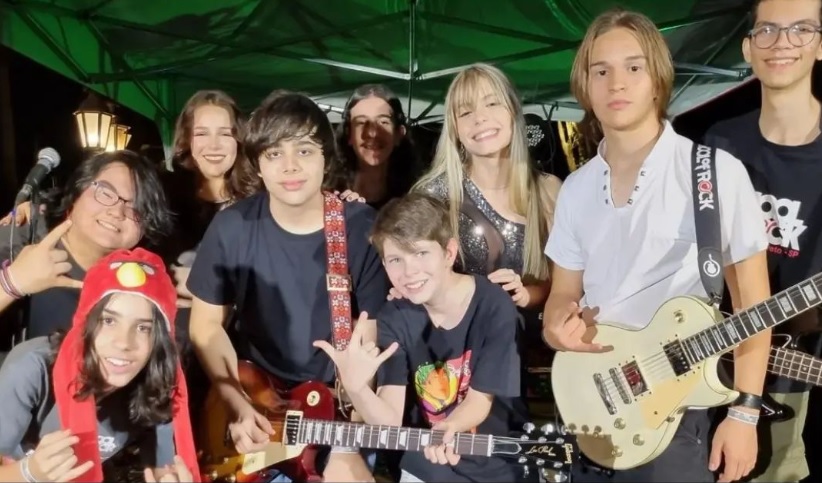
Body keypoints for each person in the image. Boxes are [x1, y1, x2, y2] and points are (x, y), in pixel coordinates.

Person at [542, 8, 772, 483]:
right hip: (591, 401)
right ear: (584, 86)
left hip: (676, 412)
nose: (616, 83)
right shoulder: (576, 188)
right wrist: (555, 325)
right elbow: (563, 292)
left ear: (657, 80)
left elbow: (754, 305)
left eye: (634, 67)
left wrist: (745, 412)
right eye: (600, 71)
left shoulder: (715, 173)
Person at [186, 90, 389, 482]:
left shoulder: (361, 228)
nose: (290, 166)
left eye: (305, 151)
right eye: (274, 153)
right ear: (258, 163)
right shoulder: (232, 227)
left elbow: (368, 344)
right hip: (257, 402)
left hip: (340, 411)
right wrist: (236, 401)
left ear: (326, 158)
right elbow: (206, 325)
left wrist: (347, 448)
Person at [316, 193, 530, 483]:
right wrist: (357, 388)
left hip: (493, 462)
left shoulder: (493, 305)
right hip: (425, 465)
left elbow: (479, 402)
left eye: (421, 254)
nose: (409, 271)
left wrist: (448, 428)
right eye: (395, 260)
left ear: (449, 253)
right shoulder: (394, 315)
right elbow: (389, 421)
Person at [703, 1, 822, 481]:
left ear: (820, 44)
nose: (783, 42)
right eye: (767, 30)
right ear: (747, 48)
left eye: (801, 29)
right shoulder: (719, 144)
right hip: (701, 356)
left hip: (790, 375)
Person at [0, 248, 198, 482]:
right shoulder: (31, 367)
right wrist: (29, 472)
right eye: (109, 320)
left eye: (143, 328)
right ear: (85, 323)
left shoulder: (158, 384)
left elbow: (162, 471)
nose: (124, 343)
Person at [0, 150, 173, 336]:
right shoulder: (23, 235)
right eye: (106, 193)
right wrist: (11, 283)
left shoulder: (142, 278)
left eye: (137, 207)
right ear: (76, 192)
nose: (118, 212)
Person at [337, 84, 422, 210]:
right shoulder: (329, 196)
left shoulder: (416, 199)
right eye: (361, 122)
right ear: (349, 134)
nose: (372, 133)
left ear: (399, 134)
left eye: (383, 122)